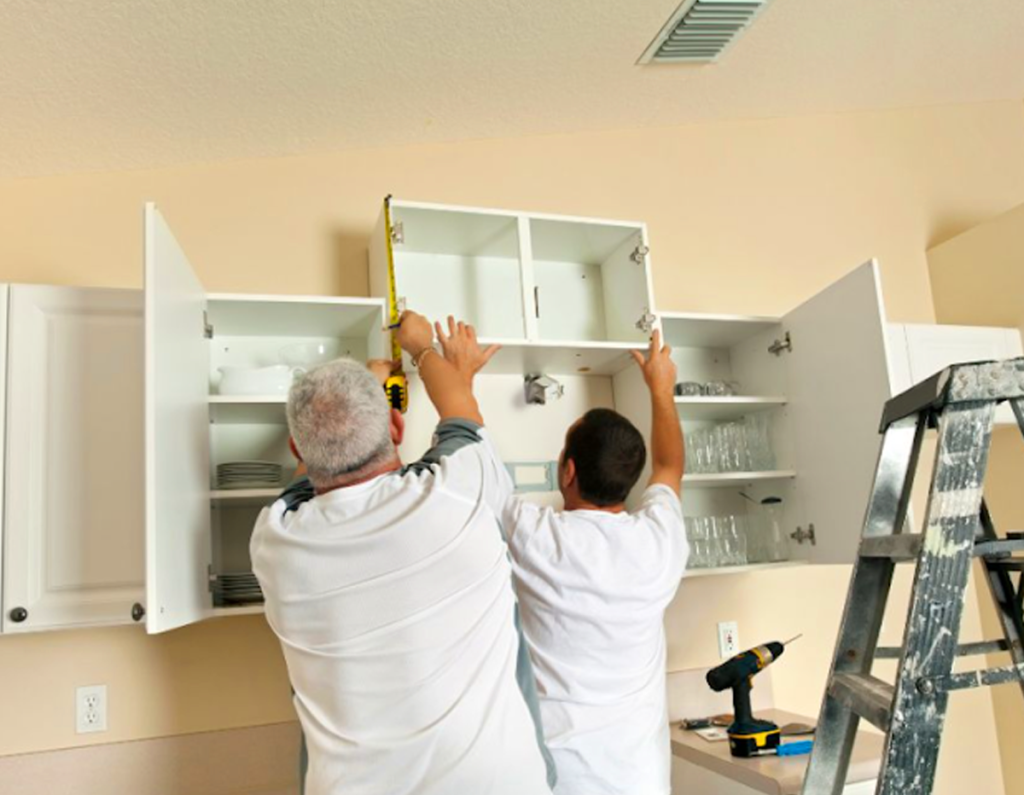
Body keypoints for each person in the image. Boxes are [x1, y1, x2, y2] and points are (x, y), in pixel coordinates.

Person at [251, 311, 554, 795]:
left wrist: (368, 385)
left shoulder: (275, 542)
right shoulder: (458, 493)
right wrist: (422, 347)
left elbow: (308, 481)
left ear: (296, 448)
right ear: (396, 426)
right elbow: (461, 412)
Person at [503, 329, 688, 795]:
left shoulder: (534, 535)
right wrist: (660, 390)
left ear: (567, 471)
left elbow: (475, 474)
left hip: (560, 778)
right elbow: (669, 465)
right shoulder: (658, 541)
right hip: (641, 782)